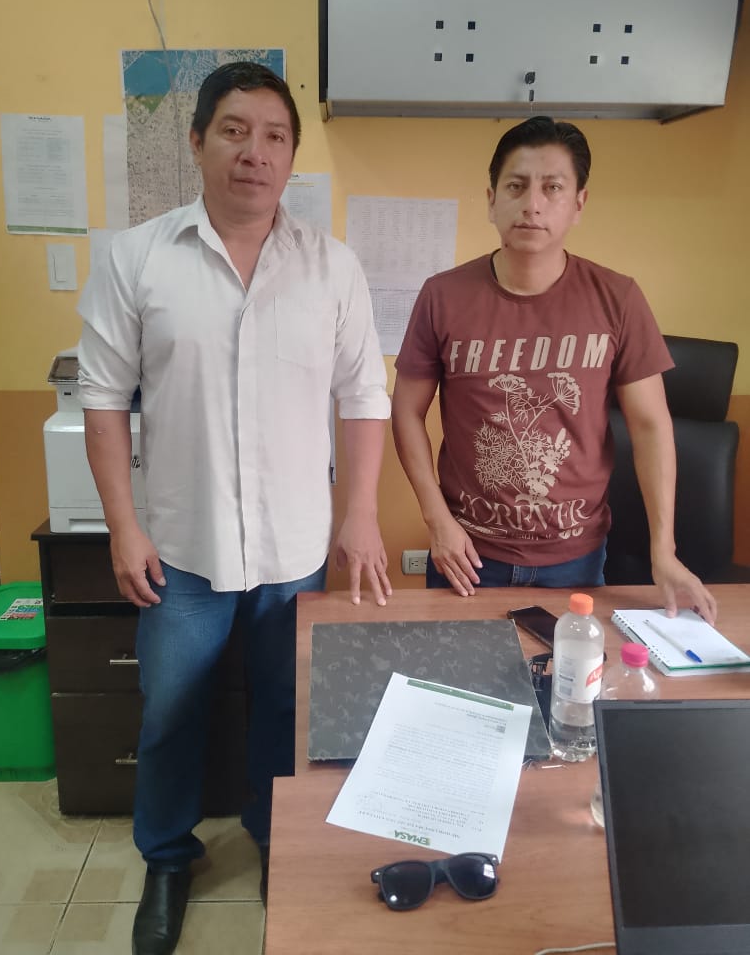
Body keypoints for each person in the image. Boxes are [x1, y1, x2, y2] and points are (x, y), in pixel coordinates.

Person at [77, 61, 392, 955]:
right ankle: (167, 857)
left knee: (287, 714)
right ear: (198, 141)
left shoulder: (332, 266)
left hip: (297, 549)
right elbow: (102, 400)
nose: (256, 152)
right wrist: (123, 526)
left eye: (275, 136)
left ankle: (274, 836)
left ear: (291, 156)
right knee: (170, 713)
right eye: (235, 131)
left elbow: (364, 396)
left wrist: (361, 514)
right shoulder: (138, 257)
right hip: (182, 549)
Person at [392, 115, 717, 625]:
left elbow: (651, 426)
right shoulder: (443, 296)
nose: (533, 204)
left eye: (552, 187)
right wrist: (436, 520)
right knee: (464, 676)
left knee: (570, 672)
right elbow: (406, 411)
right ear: (491, 200)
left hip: (576, 561)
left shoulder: (617, 299)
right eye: (516, 186)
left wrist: (664, 551)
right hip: (468, 555)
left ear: (578, 203)